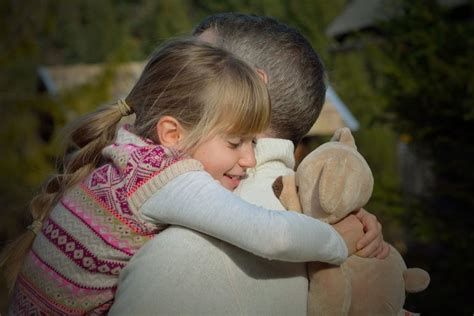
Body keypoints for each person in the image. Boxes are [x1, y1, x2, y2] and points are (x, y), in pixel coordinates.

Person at [3, 38, 364, 315]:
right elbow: (271, 235)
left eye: (253, 142)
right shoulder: (165, 178)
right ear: (173, 134)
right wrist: (337, 241)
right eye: (235, 142)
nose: (251, 159)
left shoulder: (129, 153)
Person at [110, 13, 389, 315]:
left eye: (198, 63)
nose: (174, 77)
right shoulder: (331, 223)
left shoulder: (180, 255)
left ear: (253, 86)